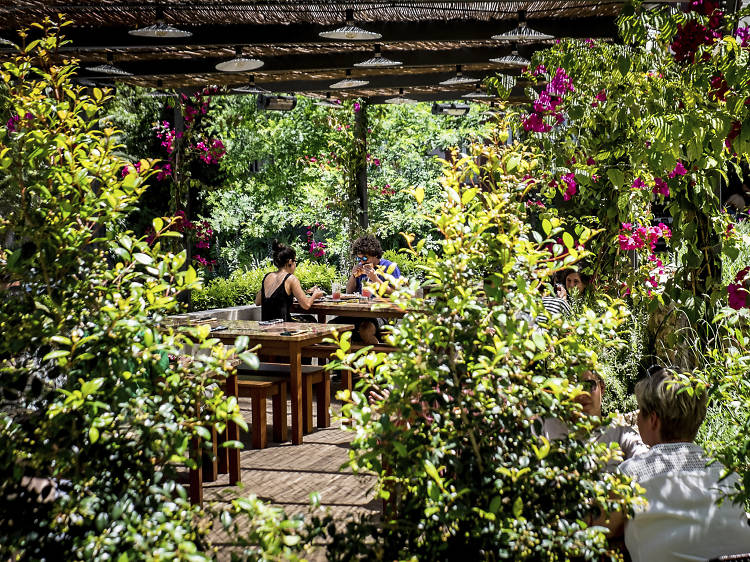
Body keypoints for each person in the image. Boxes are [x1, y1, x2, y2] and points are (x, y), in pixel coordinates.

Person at [603, 367, 750, 561]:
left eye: (641, 411)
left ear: (653, 420)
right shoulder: (729, 476)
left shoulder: (631, 475)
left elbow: (602, 530)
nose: (637, 418)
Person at [542, 370, 647, 471]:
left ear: (602, 388)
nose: (582, 394)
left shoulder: (620, 436)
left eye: (588, 385)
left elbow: (646, 463)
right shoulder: (549, 429)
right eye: (573, 387)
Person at [338, 235, 401, 344]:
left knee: (365, 330)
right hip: (359, 313)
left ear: (375, 255)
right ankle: (345, 360)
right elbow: (349, 291)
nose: (362, 261)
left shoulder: (390, 267)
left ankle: (379, 359)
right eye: (359, 258)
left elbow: (396, 294)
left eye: (365, 258)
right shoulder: (360, 267)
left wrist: (375, 279)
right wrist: (353, 276)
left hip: (382, 314)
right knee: (334, 327)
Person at [255, 240, 324, 321]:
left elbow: (258, 301)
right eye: (295, 261)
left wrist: (305, 292)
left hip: (265, 327)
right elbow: (306, 305)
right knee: (310, 319)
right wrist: (315, 295)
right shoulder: (291, 279)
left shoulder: (267, 277)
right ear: (290, 261)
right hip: (283, 328)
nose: (295, 265)